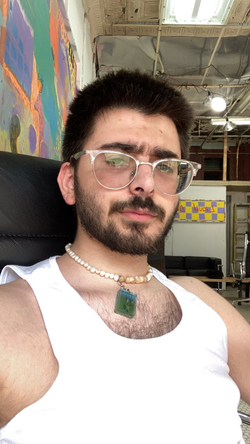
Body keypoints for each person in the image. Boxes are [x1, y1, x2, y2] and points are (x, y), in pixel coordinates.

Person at [0, 70, 249, 444]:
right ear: (70, 182)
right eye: (116, 159)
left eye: (166, 167)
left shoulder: (201, 299)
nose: (146, 183)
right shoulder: (15, 317)